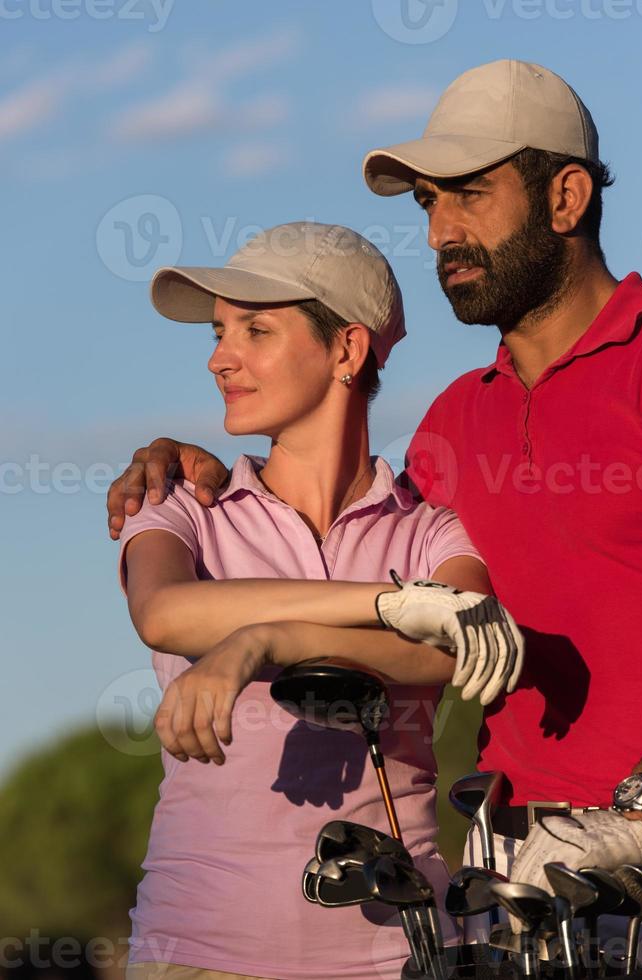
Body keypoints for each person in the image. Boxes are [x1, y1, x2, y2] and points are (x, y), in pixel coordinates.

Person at [108, 60, 642, 969]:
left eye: (470, 195)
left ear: (565, 198)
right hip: (511, 883)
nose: (441, 230)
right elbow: (422, 611)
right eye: (429, 204)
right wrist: (186, 463)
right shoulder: (447, 432)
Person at [117, 221, 523, 980]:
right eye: (218, 332)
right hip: (200, 955)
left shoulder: (433, 529)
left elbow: (448, 644)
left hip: (403, 955)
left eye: (256, 330)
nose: (219, 358)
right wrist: (392, 601)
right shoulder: (181, 508)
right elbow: (165, 613)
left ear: (347, 349)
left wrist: (266, 641)